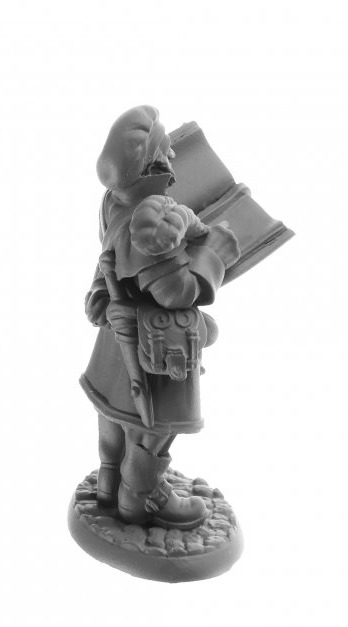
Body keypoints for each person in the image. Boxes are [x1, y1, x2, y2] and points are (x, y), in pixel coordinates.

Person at [80, 105, 240, 530]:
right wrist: (214, 256)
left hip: (115, 337)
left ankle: (110, 483)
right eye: (165, 149)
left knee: (113, 412)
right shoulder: (151, 218)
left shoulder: (113, 202)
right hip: (152, 344)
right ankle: (141, 498)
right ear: (151, 164)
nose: (172, 156)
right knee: (150, 429)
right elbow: (175, 293)